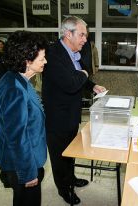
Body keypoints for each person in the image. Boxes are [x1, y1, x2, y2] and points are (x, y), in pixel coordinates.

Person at [42, 16, 106, 205]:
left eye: (86, 35)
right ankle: (64, 189)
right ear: (67, 33)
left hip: (71, 113)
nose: (85, 39)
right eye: (82, 34)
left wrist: (92, 86)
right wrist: (85, 74)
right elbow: (71, 83)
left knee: (71, 151)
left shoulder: (75, 52)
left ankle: (71, 178)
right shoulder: (53, 54)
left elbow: (80, 76)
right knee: (59, 155)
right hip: (57, 116)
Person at [0, 31, 48, 206]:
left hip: (25, 155)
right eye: (42, 58)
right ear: (27, 61)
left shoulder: (18, 79)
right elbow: (17, 136)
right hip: (22, 161)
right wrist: (28, 173)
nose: (45, 61)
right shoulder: (14, 88)